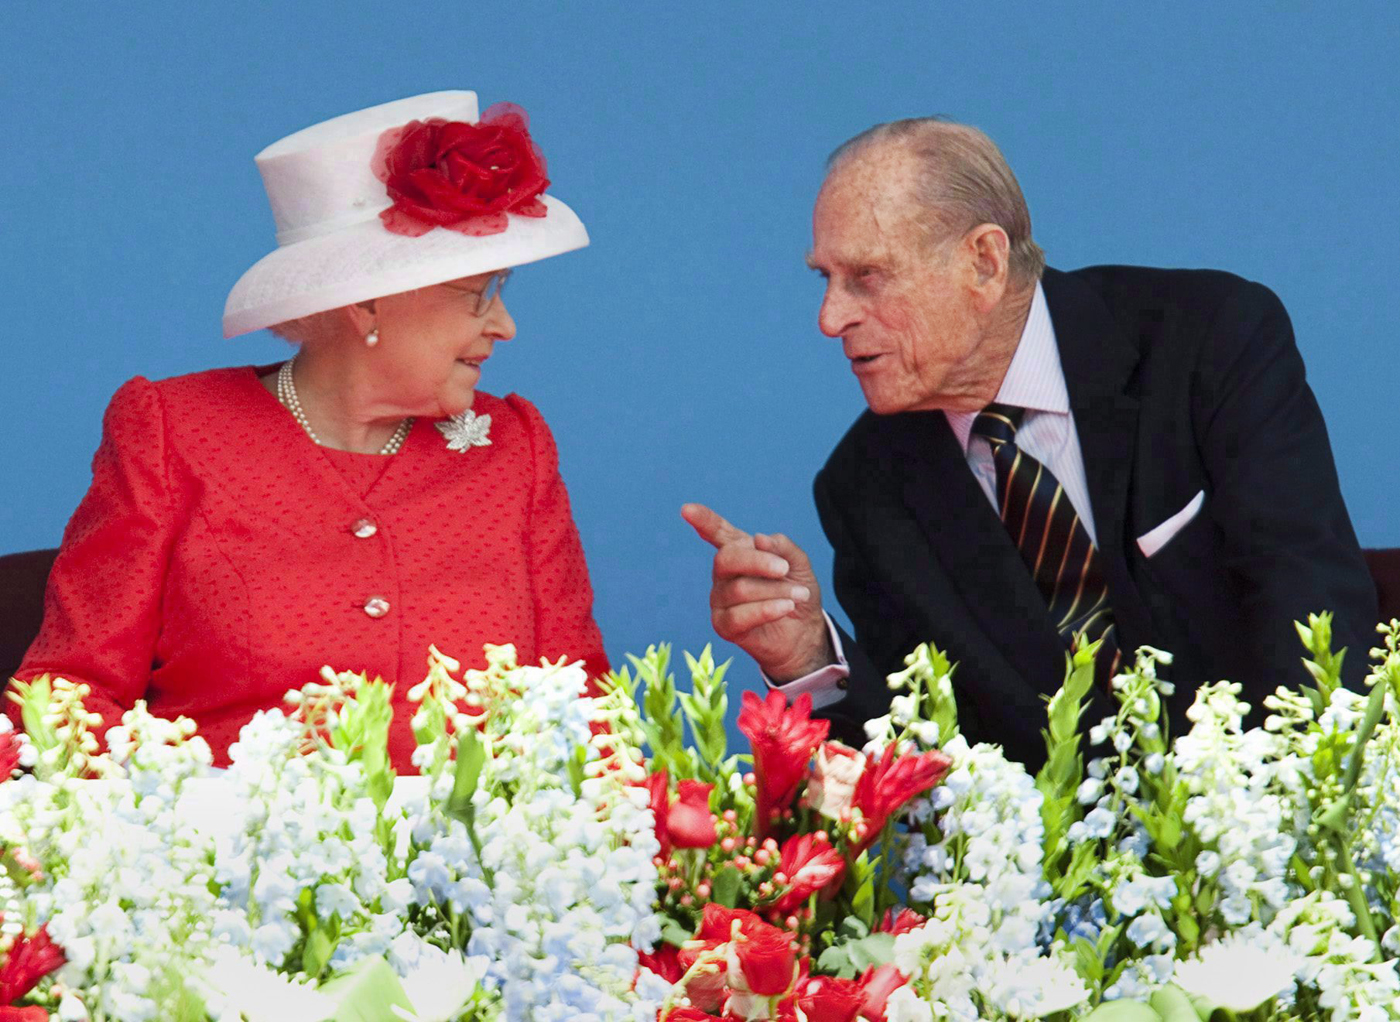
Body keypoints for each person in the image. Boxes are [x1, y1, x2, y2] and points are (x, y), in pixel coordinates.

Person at [684, 117, 1378, 769]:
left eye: (868, 278)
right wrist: (807, 653)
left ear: (984, 262)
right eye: (825, 280)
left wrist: (1286, 838)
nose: (831, 318)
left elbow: (1314, 610)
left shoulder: (1207, 341)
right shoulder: (866, 487)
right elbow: (922, 765)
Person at [8, 90, 608, 770]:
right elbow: (68, 696)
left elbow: (580, 704)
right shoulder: (174, 431)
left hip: (475, 866)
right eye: (479, 295)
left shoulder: (514, 446)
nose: (504, 326)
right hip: (226, 863)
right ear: (368, 301)